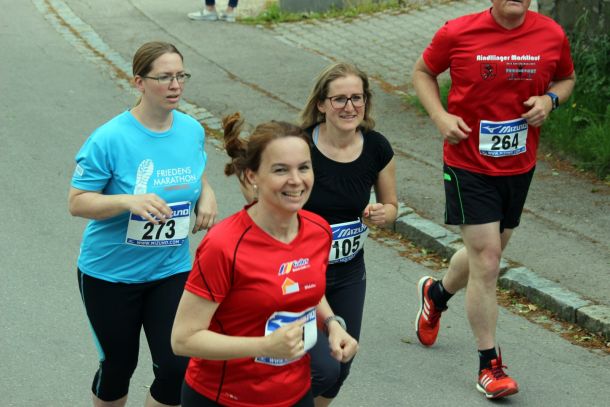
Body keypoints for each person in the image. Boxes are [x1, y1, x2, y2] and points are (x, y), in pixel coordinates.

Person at [411, 0, 576, 400]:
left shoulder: (551, 33)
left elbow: (566, 79)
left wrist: (549, 101)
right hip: (468, 163)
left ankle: (436, 295)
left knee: (489, 251)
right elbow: (423, 72)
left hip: (519, 165)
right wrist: (439, 117)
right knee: (487, 260)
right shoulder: (457, 32)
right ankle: (490, 366)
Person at [171, 113, 358, 407]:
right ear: (252, 177)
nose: (296, 180)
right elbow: (183, 339)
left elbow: (306, 287)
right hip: (225, 398)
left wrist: (333, 324)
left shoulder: (319, 231)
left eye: (304, 167)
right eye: (281, 170)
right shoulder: (224, 245)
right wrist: (264, 346)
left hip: (294, 393)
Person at [69, 41, 217, 407]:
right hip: (110, 274)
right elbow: (77, 202)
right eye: (164, 77)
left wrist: (207, 194)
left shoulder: (191, 130)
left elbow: (195, 174)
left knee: (178, 366)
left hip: (170, 269)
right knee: (118, 366)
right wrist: (127, 201)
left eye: (181, 76)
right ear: (139, 82)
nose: (175, 85)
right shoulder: (109, 139)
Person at [299, 62, 398, 406]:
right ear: (321, 104)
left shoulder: (377, 147)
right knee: (314, 366)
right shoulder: (300, 146)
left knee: (341, 362)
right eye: (339, 99)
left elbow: (392, 205)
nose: (349, 107)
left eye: (357, 98)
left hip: (348, 272)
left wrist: (384, 214)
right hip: (300, 270)